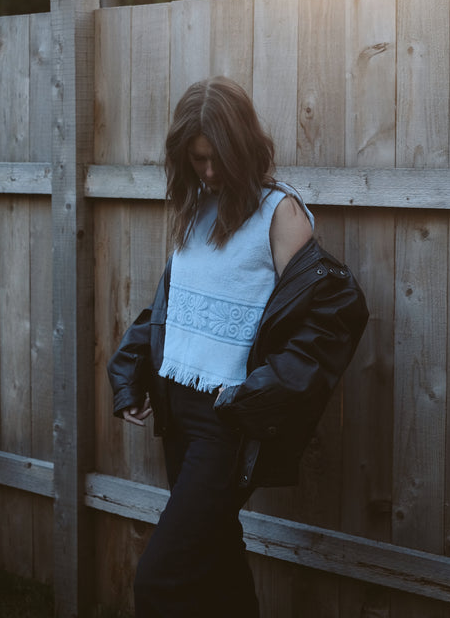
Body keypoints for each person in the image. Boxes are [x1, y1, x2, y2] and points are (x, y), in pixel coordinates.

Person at [107, 76, 368, 618]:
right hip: (177, 411)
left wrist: (265, 391)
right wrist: (132, 370)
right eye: (196, 159)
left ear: (243, 146)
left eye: (216, 158)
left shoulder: (280, 213)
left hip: (224, 421)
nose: (207, 171)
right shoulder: (198, 207)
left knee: (159, 581)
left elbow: (330, 316)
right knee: (221, 562)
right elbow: (174, 303)